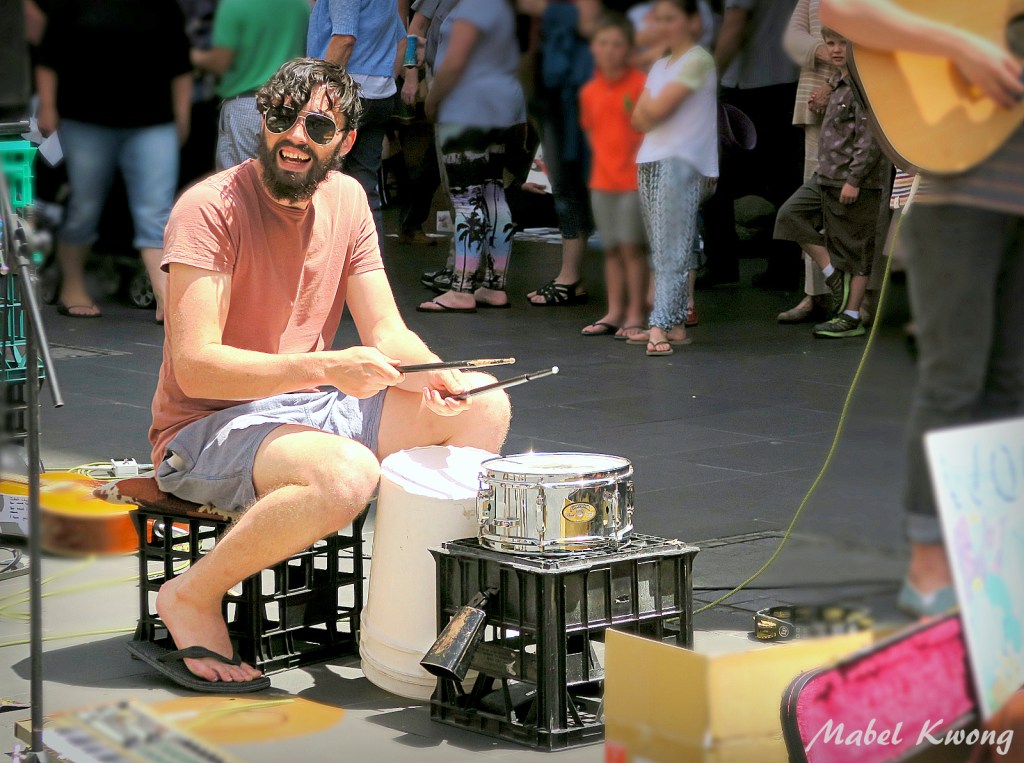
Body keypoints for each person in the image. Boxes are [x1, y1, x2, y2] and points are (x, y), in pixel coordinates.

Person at [148, 58, 511, 689]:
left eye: (316, 125)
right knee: (348, 473)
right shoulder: (209, 208)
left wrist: (431, 372)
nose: (295, 136)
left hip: (306, 408)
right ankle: (189, 594)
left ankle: (403, 593)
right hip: (204, 427)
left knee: (483, 401)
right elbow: (197, 366)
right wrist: (327, 367)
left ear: (344, 142)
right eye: (282, 118)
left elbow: (387, 332)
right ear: (262, 122)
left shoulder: (347, 198)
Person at [819, 0, 1024, 615]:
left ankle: (991, 555)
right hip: (958, 184)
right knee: (954, 378)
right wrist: (960, 47)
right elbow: (841, 8)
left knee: (1013, 384)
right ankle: (930, 563)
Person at [35, 0, 193, 323]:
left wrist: (182, 114)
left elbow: (180, 64)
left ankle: (165, 296)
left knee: (157, 210)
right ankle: (72, 285)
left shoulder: (163, 6)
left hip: (153, 121)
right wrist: (48, 106)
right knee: (85, 207)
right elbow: (49, 57)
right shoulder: (71, 5)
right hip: (86, 120)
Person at [772, 25, 888, 338]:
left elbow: (870, 138)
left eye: (844, 43)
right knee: (790, 215)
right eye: (831, 43)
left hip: (853, 180)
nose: (836, 49)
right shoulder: (837, 81)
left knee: (855, 247)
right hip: (826, 175)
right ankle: (831, 272)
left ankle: (850, 315)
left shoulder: (864, 85)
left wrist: (855, 179)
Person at [415, 0, 527, 313]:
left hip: (467, 107)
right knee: (493, 192)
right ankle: (494, 286)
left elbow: (454, 64)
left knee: (467, 198)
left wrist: (432, 102)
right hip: (504, 106)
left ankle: (461, 289)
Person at [629, 0, 718, 356]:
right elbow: (640, 117)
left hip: (682, 162)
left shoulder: (698, 60)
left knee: (672, 250)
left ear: (692, 22)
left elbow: (658, 109)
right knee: (665, 246)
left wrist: (653, 111)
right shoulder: (662, 65)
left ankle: (658, 326)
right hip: (651, 157)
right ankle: (675, 323)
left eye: (672, 19)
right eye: (659, 20)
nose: (663, 26)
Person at [578, 12, 649, 339]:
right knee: (611, 249)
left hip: (631, 181)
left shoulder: (639, 85)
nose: (609, 50)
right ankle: (615, 310)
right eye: (603, 43)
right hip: (602, 181)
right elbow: (593, 133)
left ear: (628, 49)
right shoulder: (590, 90)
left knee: (630, 249)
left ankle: (635, 314)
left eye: (617, 44)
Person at [307, 0, 405, 241]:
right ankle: (369, 271)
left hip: (344, 93)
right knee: (364, 193)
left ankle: (323, 274)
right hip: (379, 93)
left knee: (319, 186)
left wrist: (320, 93)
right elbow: (403, 40)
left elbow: (344, 39)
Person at [190, 0, 310, 171]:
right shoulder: (300, 6)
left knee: (238, 186)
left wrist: (189, 56)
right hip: (291, 108)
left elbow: (220, 62)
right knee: (281, 183)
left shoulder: (235, 5)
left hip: (245, 106)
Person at [775, 0, 834, 323]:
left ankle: (863, 296)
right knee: (813, 200)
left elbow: (875, 40)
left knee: (860, 201)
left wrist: (834, 80)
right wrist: (825, 51)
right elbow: (793, 38)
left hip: (862, 102)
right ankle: (817, 294)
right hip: (816, 109)